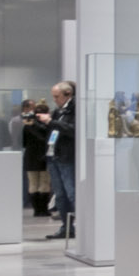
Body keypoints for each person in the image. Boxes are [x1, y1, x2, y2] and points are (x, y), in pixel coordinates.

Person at [35, 81, 76, 239]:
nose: (54, 100)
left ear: (68, 94)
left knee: (71, 193)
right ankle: (66, 227)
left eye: (57, 96)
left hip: (67, 157)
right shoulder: (59, 111)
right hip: (54, 156)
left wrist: (50, 122)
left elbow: (72, 130)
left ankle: (82, 226)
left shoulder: (75, 110)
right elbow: (53, 131)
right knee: (59, 195)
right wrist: (39, 124)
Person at [22, 103, 51, 218]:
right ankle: (44, 209)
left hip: (30, 156)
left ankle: (36, 210)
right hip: (44, 156)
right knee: (44, 183)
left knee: (33, 184)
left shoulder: (27, 125)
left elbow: (23, 142)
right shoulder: (48, 125)